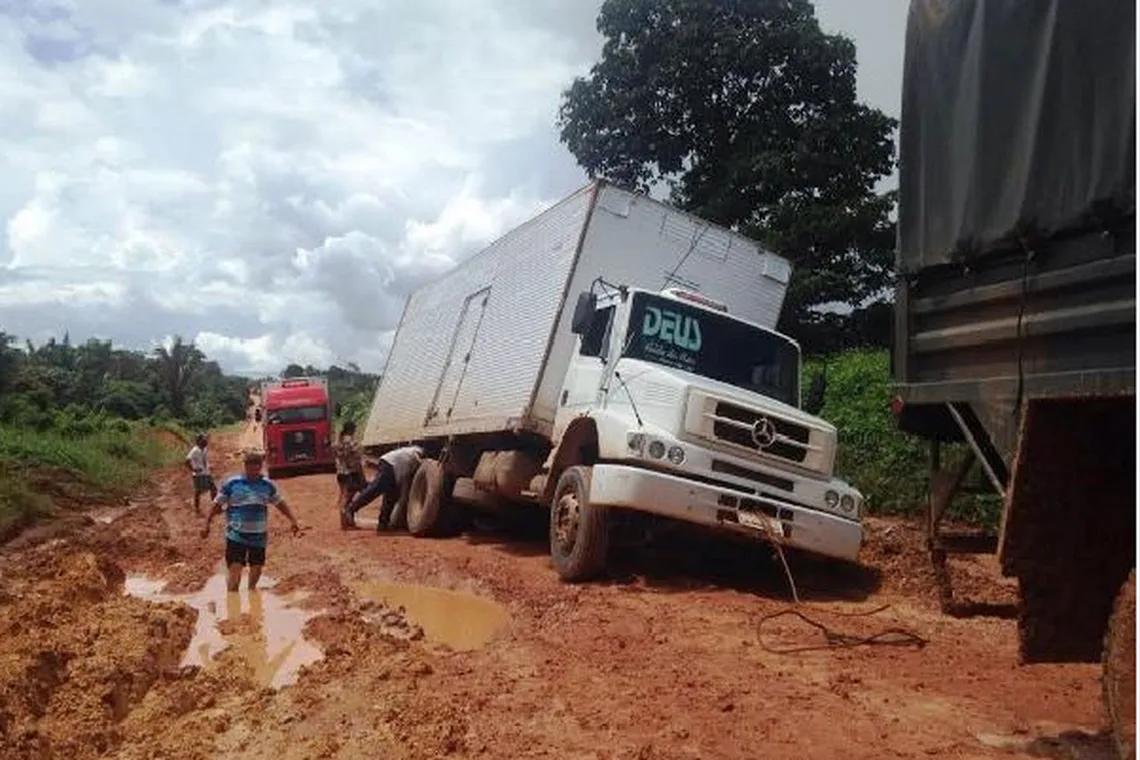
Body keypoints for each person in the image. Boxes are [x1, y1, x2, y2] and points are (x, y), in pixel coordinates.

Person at [200, 448, 303, 591]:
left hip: (258, 536)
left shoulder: (267, 485)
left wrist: (293, 520)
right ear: (245, 465)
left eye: (257, 465)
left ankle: (251, 596)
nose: (254, 468)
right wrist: (207, 524)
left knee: (257, 569)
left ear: (261, 466)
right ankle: (233, 604)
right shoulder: (232, 484)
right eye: (251, 464)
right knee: (235, 571)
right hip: (236, 534)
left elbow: (280, 503)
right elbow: (216, 505)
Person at [343, 444, 424, 532]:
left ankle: (383, 524)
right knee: (376, 489)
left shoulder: (412, 452)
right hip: (389, 465)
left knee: (390, 497)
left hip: (394, 469)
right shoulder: (416, 451)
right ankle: (351, 508)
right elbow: (416, 458)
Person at [334, 420, 367, 526]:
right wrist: (361, 474)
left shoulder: (338, 442)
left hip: (340, 473)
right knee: (351, 495)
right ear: (352, 430)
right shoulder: (352, 442)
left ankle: (345, 521)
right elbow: (356, 460)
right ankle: (347, 516)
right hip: (351, 472)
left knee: (344, 495)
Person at [185, 433, 217, 515]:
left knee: (213, 488)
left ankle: (215, 505)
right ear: (199, 441)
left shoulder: (204, 449)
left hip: (206, 472)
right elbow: (187, 461)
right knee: (198, 492)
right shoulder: (195, 450)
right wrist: (193, 469)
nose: (206, 441)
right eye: (204, 439)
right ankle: (197, 508)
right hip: (198, 474)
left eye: (205, 439)